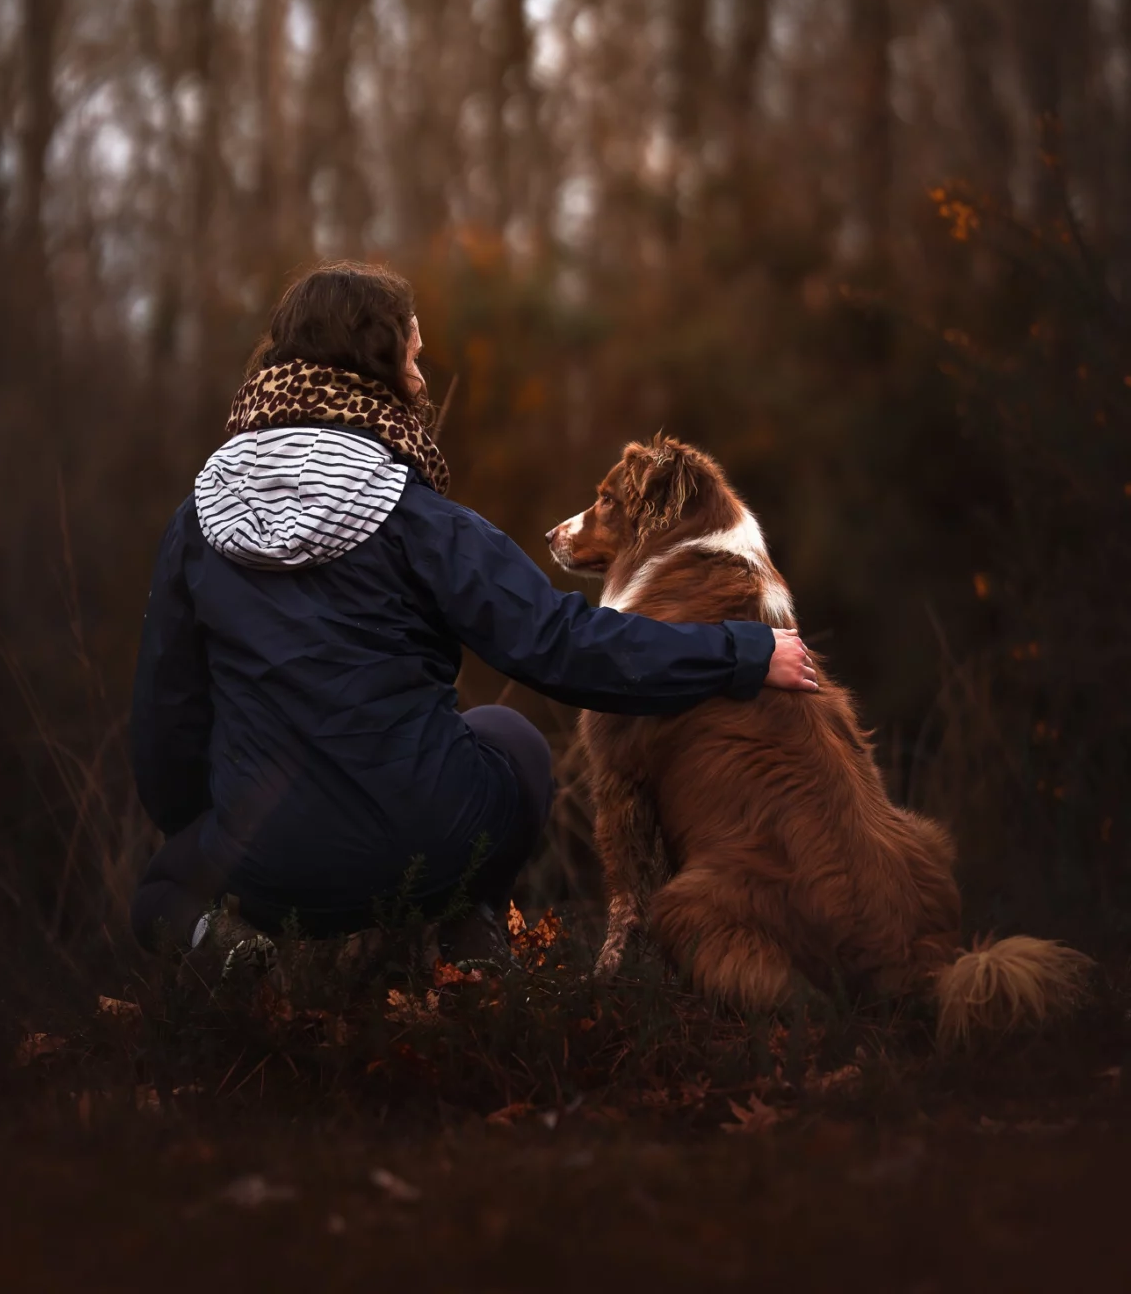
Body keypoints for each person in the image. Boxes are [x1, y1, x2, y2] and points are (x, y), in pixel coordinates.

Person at [129, 262, 817, 969]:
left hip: (263, 864)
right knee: (509, 738)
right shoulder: (416, 517)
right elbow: (561, 645)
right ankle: (466, 930)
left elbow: (165, 720)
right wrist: (741, 652)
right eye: (414, 357)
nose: (422, 380)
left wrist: (221, 827)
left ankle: (233, 956)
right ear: (376, 366)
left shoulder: (197, 521)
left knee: (159, 889)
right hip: (423, 845)